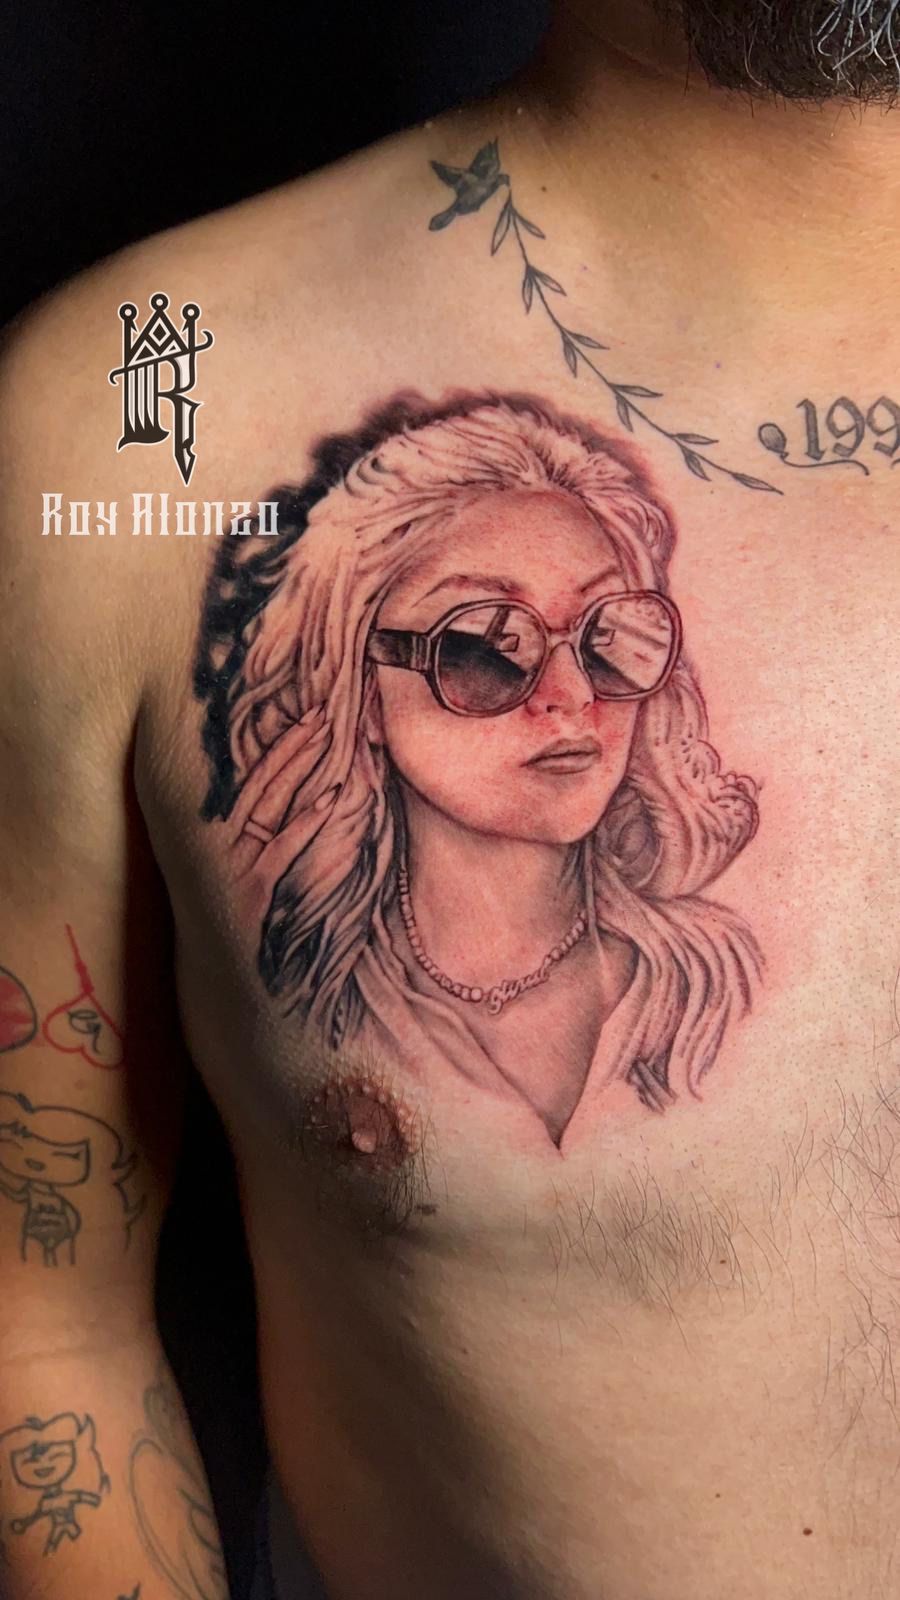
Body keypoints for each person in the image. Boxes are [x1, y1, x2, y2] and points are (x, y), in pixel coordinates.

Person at [1, 2, 898, 1596]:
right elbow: (41, 1310)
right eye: (482, 650)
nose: (566, 702)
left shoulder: (678, 963)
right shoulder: (142, 411)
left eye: (613, 643)